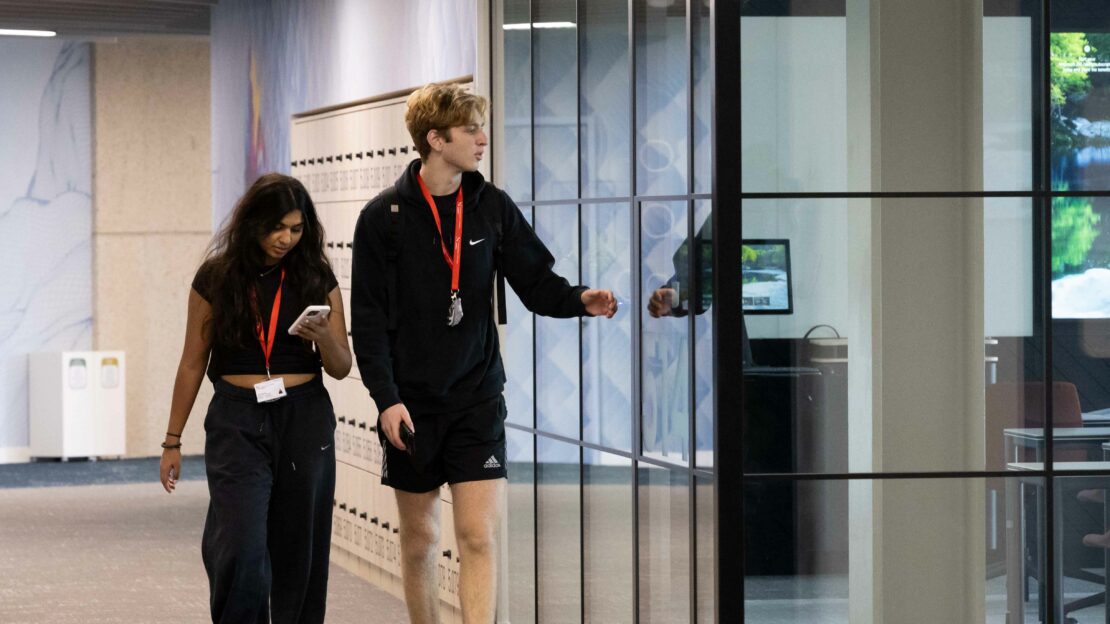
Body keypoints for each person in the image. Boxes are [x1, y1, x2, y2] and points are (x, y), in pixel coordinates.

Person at [351, 82, 617, 624]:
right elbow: (369, 323)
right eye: (470, 129)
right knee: (422, 538)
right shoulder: (386, 218)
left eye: (481, 126)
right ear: (434, 139)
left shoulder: (490, 207)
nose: (482, 138)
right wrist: (386, 400)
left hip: (476, 396)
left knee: (476, 536)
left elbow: (537, 284)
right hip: (412, 404)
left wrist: (580, 300)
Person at [159, 173, 352, 624]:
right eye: (277, 227)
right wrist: (172, 440)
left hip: (303, 417)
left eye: (297, 228)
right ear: (253, 224)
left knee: (298, 549)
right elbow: (192, 362)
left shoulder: (315, 276)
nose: (287, 238)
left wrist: (324, 335)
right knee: (240, 545)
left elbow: (342, 366)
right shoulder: (217, 277)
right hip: (237, 419)